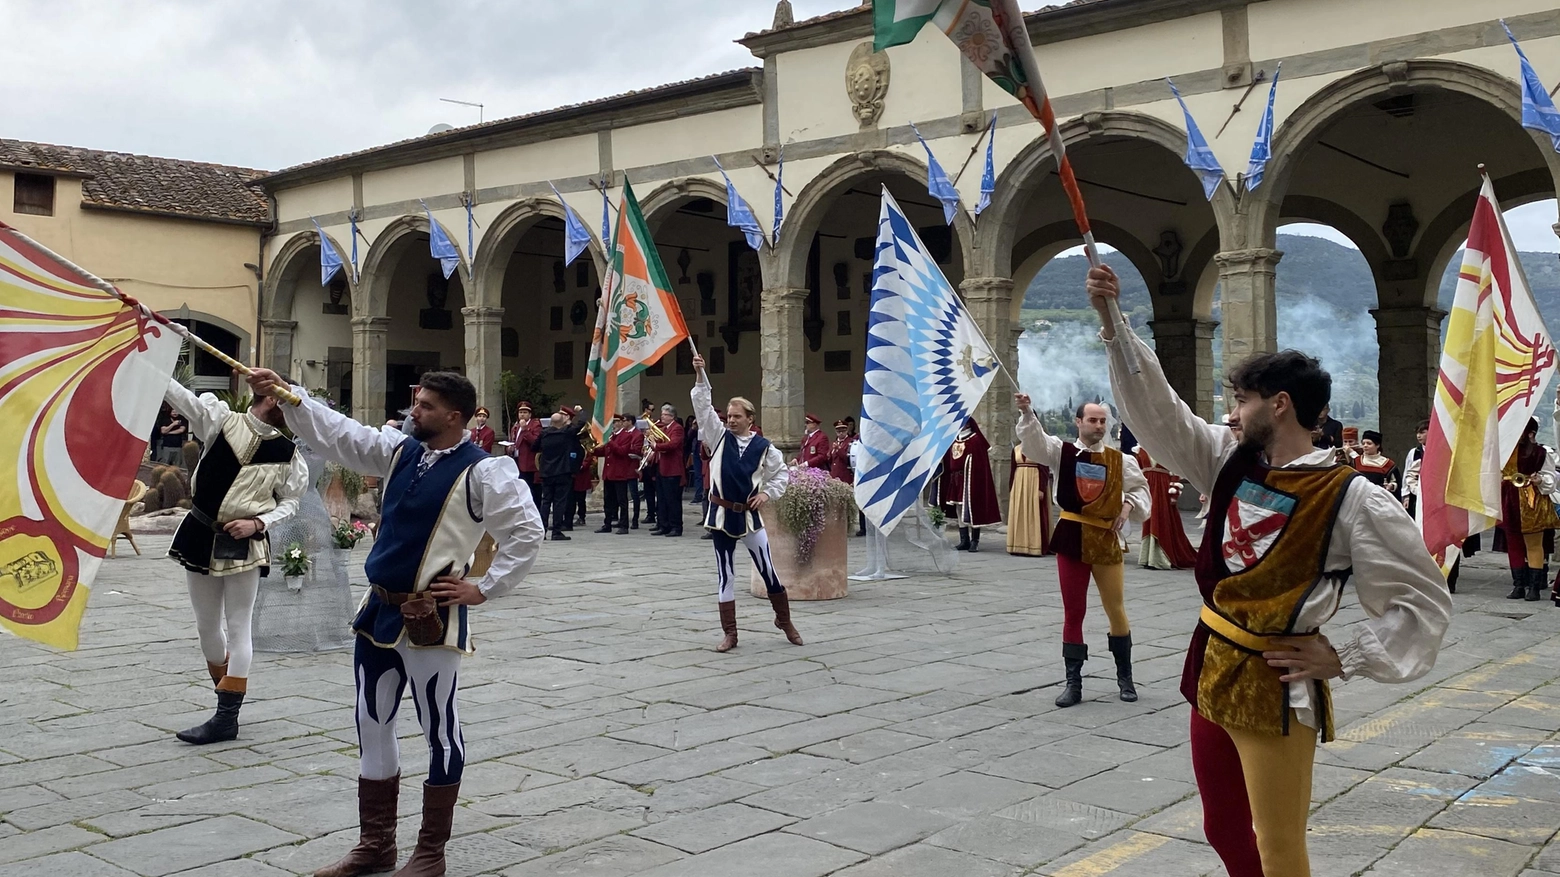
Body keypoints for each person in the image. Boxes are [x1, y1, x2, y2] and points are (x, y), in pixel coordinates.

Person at [1089, 263, 1450, 877]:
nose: (1233, 412)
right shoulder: (1231, 459)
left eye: (1243, 400)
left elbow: (1424, 601)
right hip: (1212, 661)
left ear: (1279, 406)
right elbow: (1161, 414)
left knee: (1278, 844)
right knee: (1222, 827)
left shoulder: (1353, 497)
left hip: (1278, 683)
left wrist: (1343, 656)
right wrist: (1112, 324)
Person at [242, 367, 541, 877]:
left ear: (454, 416)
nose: (413, 411)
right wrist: (287, 395)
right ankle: (375, 844)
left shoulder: (485, 471)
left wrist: (484, 588)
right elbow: (339, 433)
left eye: (424, 405)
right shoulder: (400, 450)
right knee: (371, 722)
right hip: (378, 610)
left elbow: (526, 532)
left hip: (431, 617)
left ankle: (430, 853)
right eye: (415, 403)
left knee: (439, 728)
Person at [161, 378, 308, 745]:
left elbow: (290, 502)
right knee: (206, 627)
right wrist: (150, 352)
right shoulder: (222, 420)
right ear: (275, 400)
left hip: (245, 543)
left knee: (239, 626)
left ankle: (227, 717)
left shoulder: (289, 453)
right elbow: (177, 394)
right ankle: (225, 697)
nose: (297, 411)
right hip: (200, 532)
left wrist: (259, 522)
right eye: (292, 401)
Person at [1017, 399, 1149, 707]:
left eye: (1103, 421)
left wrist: (1128, 504)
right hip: (1072, 536)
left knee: (1115, 609)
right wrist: (1026, 412)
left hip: (1105, 537)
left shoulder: (1120, 460)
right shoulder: (1061, 453)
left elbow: (1142, 489)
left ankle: (1125, 677)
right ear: (1079, 422)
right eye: (1092, 420)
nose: (1099, 426)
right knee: (1073, 612)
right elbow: (1034, 442)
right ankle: (1073, 683)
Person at [690, 353, 802, 652]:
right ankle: (731, 633)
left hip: (750, 517)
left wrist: (766, 494)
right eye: (729, 415)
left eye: (737, 416)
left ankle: (784, 619)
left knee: (768, 570)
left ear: (750, 419)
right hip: (721, 515)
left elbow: (781, 476)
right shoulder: (717, 436)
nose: (731, 419)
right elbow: (702, 407)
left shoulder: (765, 448)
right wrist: (701, 374)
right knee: (725, 573)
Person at [1500, 418, 1558, 602]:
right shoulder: (1504, 451)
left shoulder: (1541, 452)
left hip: (1532, 501)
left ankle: (1534, 587)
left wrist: (1540, 480)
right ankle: (1518, 585)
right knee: (1514, 544)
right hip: (1509, 499)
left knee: (1534, 544)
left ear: (1530, 433)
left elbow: (1550, 477)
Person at [939, 418, 1002, 552]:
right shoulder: (954, 439)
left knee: (973, 509)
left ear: (968, 424)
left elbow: (980, 463)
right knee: (958, 508)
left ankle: (975, 541)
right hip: (955, 480)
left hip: (970, 479)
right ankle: (964, 540)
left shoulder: (975, 440)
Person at [1137, 447, 1198, 570]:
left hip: (1162, 488)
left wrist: (1174, 490)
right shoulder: (1141, 449)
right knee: (1148, 519)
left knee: (1161, 518)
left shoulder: (1167, 448)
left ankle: (1160, 557)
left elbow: (1176, 471)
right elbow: (1137, 470)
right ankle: (1148, 557)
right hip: (1148, 486)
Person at [536, 407, 587, 541]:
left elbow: (534, 447)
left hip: (547, 472)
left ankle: (542, 530)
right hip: (562, 471)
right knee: (559, 502)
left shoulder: (544, 434)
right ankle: (557, 531)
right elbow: (582, 423)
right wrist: (579, 412)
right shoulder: (567, 432)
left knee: (546, 501)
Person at [597, 413, 642, 534]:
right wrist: (595, 449)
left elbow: (622, 451)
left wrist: (609, 441)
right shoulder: (612, 436)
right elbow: (605, 452)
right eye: (613, 423)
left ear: (621, 423)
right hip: (608, 473)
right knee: (608, 500)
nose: (614, 425)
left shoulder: (626, 436)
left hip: (619, 473)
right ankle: (607, 524)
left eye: (616, 423)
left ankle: (624, 525)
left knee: (622, 500)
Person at [1007, 443, 1053, 557]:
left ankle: (1036, 545)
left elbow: (1044, 469)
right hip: (1019, 483)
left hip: (1034, 481)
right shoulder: (1016, 449)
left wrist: (1041, 488)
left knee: (1035, 513)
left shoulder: (1040, 448)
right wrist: (1011, 488)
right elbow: (1013, 470)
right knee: (1019, 513)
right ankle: (1018, 545)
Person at [651, 403, 686, 537]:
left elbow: (673, 444)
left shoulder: (677, 428)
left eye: (665, 415)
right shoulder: (665, 428)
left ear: (672, 416)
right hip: (662, 467)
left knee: (673, 500)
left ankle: (676, 527)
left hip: (673, 469)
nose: (662, 417)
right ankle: (663, 525)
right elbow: (661, 441)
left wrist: (656, 446)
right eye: (662, 414)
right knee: (662, 499)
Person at [1351, 430, 1399, 495]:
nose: (1365, 446)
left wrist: (1391, 486)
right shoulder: (1356, 462)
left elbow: (1395, 482)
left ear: (1377, 445)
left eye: (1369, 443)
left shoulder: (1388, 464)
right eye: (1363, 443)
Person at [507, 401, 541, 488]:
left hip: (529, 464)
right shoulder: (516, 426)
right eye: (520, 412)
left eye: (525, 412)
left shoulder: (535, 425)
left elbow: (535, 442)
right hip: (516, 461)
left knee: (530, 489)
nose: (522, 415)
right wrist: (510, 448)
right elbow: (514, 441)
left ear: (530, 414)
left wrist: (525, 429)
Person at [1400, 420, 1428, 517]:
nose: (1419, 436)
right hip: (1416, 492)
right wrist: (1406, 495)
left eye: (1422, 432)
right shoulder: (1414, 452)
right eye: (1417, 433)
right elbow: (1407, 474)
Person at [639, 399, 660, 529]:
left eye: (653, 410)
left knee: (656, 488)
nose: (651, 412)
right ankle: (650, 513)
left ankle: (657, 512)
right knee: (648, 490)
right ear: (645, 410)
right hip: (644, 457)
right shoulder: (640, 422)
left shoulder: (655, 424)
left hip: (653, 459)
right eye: (650, 410)